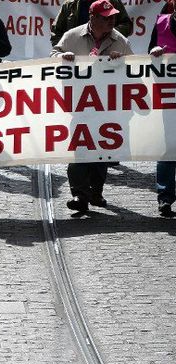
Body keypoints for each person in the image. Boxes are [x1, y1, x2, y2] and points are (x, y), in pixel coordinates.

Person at [50, 0, 133, 212]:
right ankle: (79, 195)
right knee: (79, 149)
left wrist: (121, 61)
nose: (112, 21)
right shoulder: (73, 36)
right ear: (92, 17)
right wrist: (61, 56)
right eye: (106, 18)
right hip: (79, 103)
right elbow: (53, 55)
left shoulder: (119, 40)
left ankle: (96, 191)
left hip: (107, 107)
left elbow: (134, 70)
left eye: (113, 17)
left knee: (102, 152)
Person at [149, 9, 176, 217]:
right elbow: (148, 57)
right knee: (168, 147)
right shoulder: (161, 23)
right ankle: (165, 197)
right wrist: (155, 52)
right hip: (169, 98)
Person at [51, 0, 132, 46]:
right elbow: (56, 32)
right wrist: (64, 51)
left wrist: (109, 35)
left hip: (106, 54)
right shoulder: (69, 5)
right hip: (76, 56)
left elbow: (126, 25)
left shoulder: (111, 2)